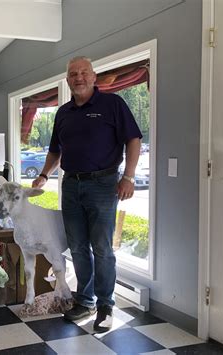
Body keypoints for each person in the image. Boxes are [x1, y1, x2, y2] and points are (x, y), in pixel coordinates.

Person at [32, 56, 142, 332]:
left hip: (103, 185)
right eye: (73, 74)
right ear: (68, 80)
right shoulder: (64, 112)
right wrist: (44, 174)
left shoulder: (112, 105)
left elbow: (133, 139)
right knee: (78, 247)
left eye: (83, 73)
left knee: (102, 247)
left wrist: (128, 176)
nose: (78, 77)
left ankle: (105, 305)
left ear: (94, 77)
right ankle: (85, 300)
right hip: (70, 185)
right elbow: (56, 150)